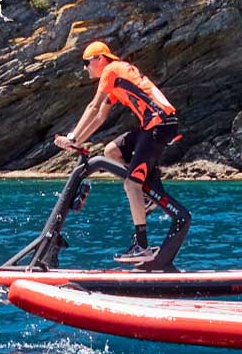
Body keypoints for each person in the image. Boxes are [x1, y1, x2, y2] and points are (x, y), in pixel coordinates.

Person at [54, 40, 184, 261]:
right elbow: (100, 117)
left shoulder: (111, 70)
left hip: (160, 126)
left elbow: (92, 106)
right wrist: (76, 142)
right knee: (111, 151)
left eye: (87, 62)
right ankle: (149, 193)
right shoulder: (116, 79)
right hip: (152, 126)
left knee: (131, 184)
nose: (85, 68)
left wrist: (72, 136)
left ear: (99, 59)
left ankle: (141, 245)